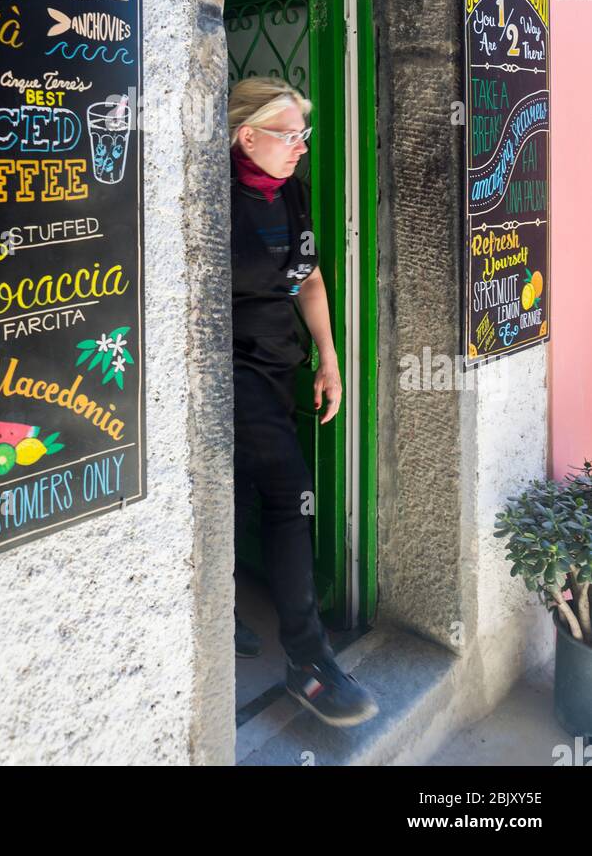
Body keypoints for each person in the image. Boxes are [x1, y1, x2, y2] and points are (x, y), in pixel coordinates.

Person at [229, 77, 378, 727]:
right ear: (247, 136)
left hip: (278, 365)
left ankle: (216, 610)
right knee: (289, 495)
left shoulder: (290, 193)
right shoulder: (209, 197)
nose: (300, 148)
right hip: (224, 370)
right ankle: (310, 662)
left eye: (305, 136)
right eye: (289, 136)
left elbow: (310, 277)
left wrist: (329, 357)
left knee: (234, 494)